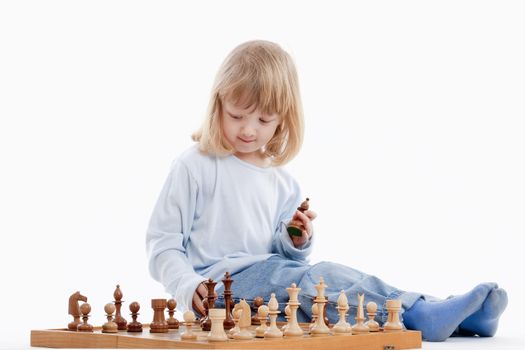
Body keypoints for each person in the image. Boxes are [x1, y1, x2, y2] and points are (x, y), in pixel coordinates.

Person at [146, 40, 507, 342]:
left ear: (284, 119)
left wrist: (296, 241)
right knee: (318, 282)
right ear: (217, 104)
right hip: (221, 291)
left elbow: (284, 257)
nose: (248, 130)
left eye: (263, 120)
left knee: (327, 282)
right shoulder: (194, 165)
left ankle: (455, 318)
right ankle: (421, 312)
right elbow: (162, 244)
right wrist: (187, 285)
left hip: (272, 277)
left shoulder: (281, 180)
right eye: (237, 115)